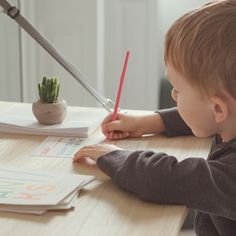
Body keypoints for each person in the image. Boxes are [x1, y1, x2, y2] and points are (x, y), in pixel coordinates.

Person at [73, 1, 236, 235]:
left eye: (178, 89)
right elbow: (206, 115)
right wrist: (149, 122)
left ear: (218, 108)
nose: (173, 94)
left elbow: (169, 179)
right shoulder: (228, 119)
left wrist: (114, 157)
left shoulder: (230, 175)